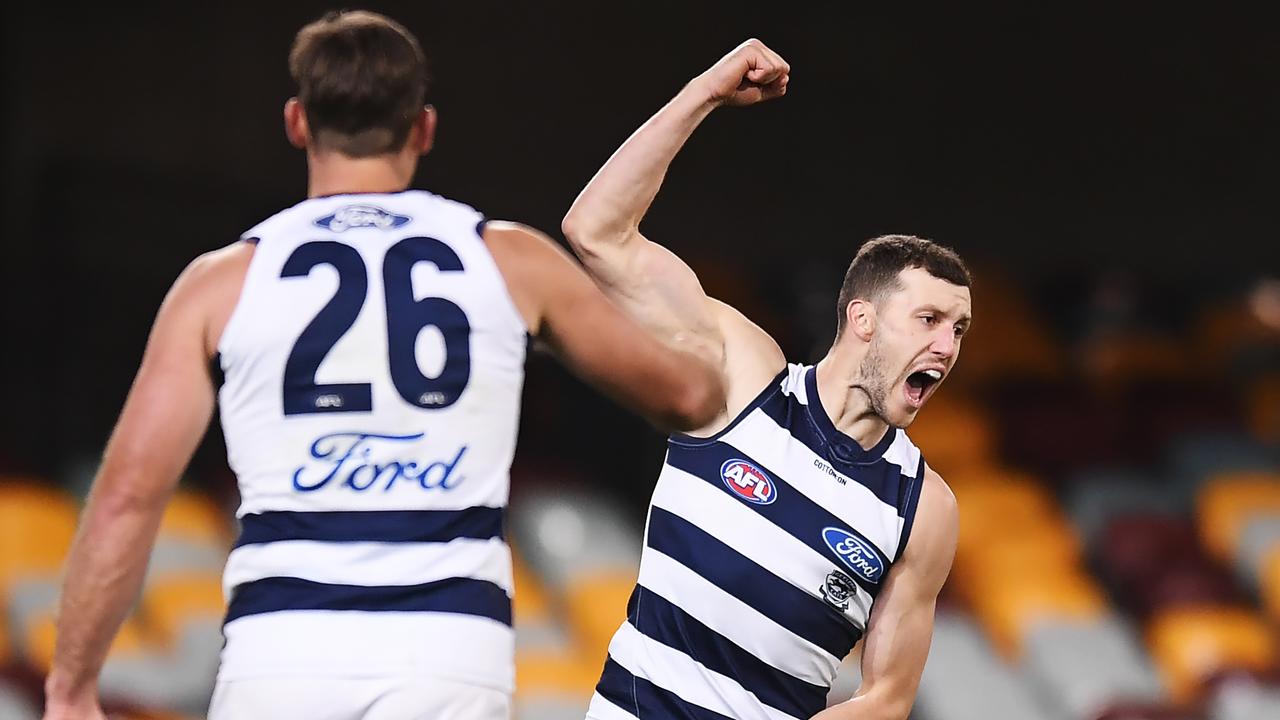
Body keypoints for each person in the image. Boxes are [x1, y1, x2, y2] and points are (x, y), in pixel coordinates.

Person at [42, 11, 727, 720]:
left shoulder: (219, 284)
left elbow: (127, 495)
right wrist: (711, 348)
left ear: (297, 122)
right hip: (448, 654)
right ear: (423, 128)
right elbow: (686, 396)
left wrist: (70, 688)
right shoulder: (511, 261)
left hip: (280, 655)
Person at [561, 39, 968, 720]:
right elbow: (595, 231)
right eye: (928, 318)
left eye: (959, 328)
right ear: (862, 319)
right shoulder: (742, 373)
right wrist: (705, 92)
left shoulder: (923, 510)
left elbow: (888, 699)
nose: (947, 345)